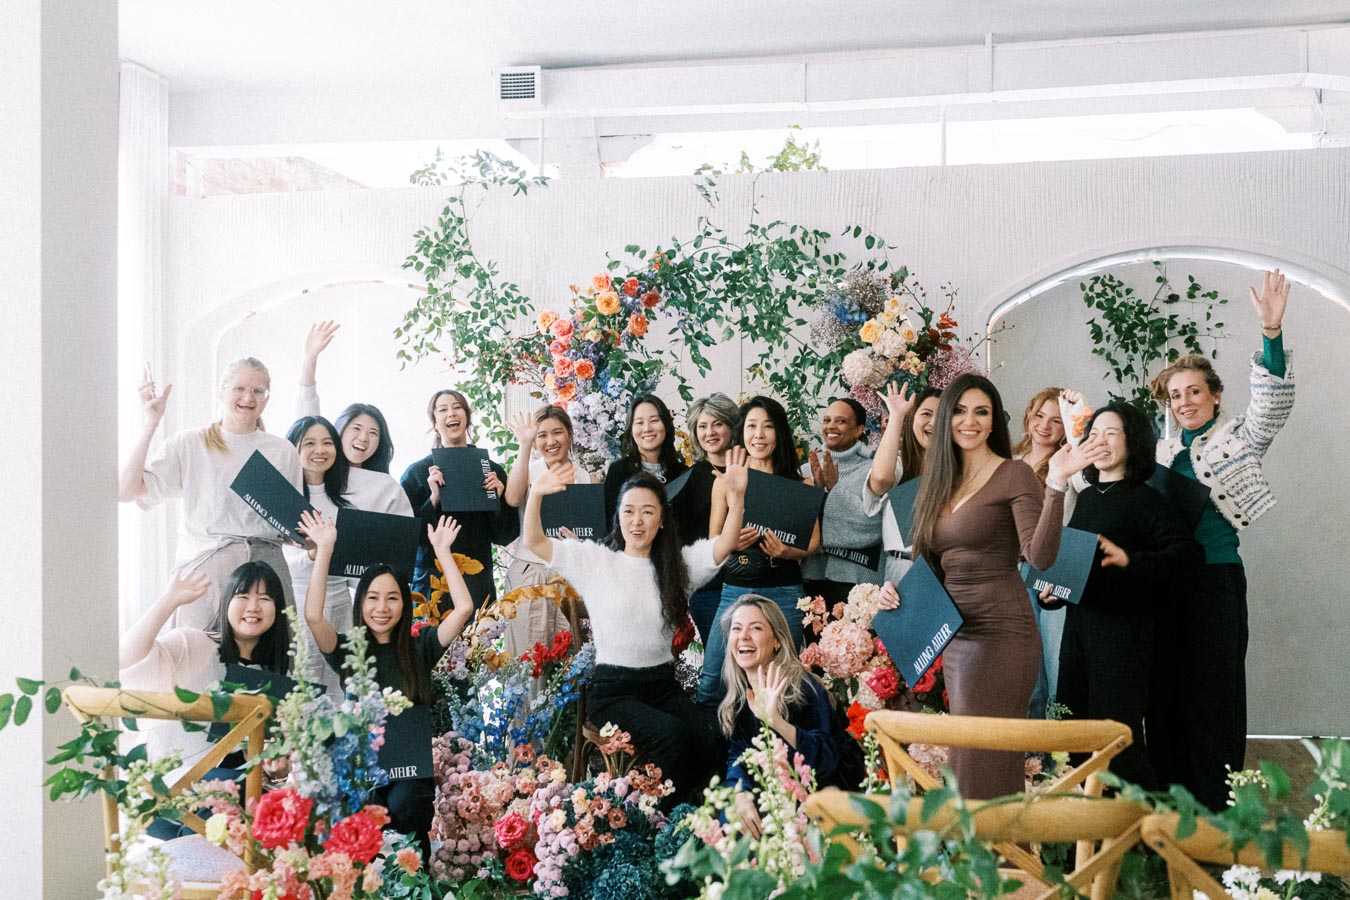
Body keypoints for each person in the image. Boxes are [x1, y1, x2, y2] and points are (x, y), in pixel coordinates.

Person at [894, 373, 1102, 799]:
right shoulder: (938, 481)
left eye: (982, 412)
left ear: (995, 422)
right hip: (955, 635)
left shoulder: (1014, 474)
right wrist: (895, 593)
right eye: (962, 411)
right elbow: (932, 561)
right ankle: (1000, 853)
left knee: (980, 754)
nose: (970, 421)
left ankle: (984, 853)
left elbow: (1040, 556)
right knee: (974, 753)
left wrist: (1057, 482)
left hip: (1002, 633)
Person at [519, 449, 751, 805]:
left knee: (708, 735)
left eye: (647, 512)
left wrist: (736, 498)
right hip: (613, 691)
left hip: (662, 685)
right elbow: (535, 542)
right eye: (628, 511)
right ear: (618, 518)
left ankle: (703, 816)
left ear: (661, 521)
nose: (637, 521)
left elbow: (721, 548)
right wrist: (535, 494)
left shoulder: (676, 567)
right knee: (671, 736)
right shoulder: (596, 560)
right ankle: (659, 820)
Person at [1145, 268, 1295, 811]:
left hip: (1214, 583)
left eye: (1195, 392)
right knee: (1164, 697)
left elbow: (1270, 409)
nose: (1185, 402)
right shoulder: (1157, 455)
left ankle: (1213, 812)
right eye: (1176, 395)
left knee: (1212, 699)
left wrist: (1271, 335)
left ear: (1215, 396)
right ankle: (1166, 812)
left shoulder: (1238, 437)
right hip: (1164, 588)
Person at [1047, 402, 1202, 789]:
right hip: (1079, 631)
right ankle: (1082, 836)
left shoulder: (1145, 500)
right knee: (1072, 730)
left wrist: (1130, 559)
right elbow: (1081, 568)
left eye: (1111, 434)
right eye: (1094, 434)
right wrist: (1054, 595)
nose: (1099, 441)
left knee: (1116, 738)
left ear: (1133, 444)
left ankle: (1143, 834)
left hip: (1123, 637)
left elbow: (1188, 556)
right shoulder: (1087, 497)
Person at [300, 509, 474, 851]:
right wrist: (324, 550)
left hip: (411, 777)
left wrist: (442, 554)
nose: (382, 607)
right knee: (358, 811)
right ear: (361, 603)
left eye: (392, 598)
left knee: (405, 802)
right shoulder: (349, 651)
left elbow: (464, 609)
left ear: (404, 604)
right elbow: (312, 615)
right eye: (373, 597)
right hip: (363, 771)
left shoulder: (420, 647)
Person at [120, 358, 304, 630]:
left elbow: (291, 525)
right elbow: (126, 491)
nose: (248, 397)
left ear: (266, 398)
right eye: (239, 388)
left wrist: (308, 537)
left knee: (273, 667)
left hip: (268, 569)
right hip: (206, 571)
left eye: (258, 391)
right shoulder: (189, 443)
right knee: (200, 665)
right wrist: (150, 423)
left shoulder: (282, 450)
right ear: (221, 392)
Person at [119, 562, 293, 837]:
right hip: (166, 793)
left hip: (226, 802)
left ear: (277, 609)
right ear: (226, 602)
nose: (253, 607)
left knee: (287, 808)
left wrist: (277, 770)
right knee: (245, 793)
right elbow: (126, 660)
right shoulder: (193, 644)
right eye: (243, 596)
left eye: (265, 599)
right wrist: (169, 601)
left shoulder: (274, 675)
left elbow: (260, 758)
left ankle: (204, 862)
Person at [698, 396, 821, 707]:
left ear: (778, 433)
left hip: (784, 593)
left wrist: (785, 551)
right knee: (713, 679)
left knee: (781, 683)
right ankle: (710, 750)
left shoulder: (800, 484)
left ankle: (773, 751)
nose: (759, 434)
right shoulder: (725, 482)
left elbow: (812, 544)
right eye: (752, 426)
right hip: (734, 592)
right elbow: (712, 542)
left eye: (767, 427)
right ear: (742, 434)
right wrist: (731, 542)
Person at [284, 416, 413, 695]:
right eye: (310, 443)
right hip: (296, 599)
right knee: (298, 683)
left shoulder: (348, 496)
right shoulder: (286, 497)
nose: (320, 450)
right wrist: (312, 556)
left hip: (341, 601)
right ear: (293, 448)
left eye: (328, 443)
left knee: (340, 685)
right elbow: (279, 558)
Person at [718, 594, 856, 837]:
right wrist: (740, 794)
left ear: (776, 642)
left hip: (826, 795)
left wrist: (777, 722)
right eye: (736, 629)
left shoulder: (802, 688)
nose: (743, 637)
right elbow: (738, 756)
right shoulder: (741, 694)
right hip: (777, 790)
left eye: (756, 628)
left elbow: (827, 762)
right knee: (730, 815)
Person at [1013, 387, 1089, 720]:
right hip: (1012, 573)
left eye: (1056, 421)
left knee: (1056, 661)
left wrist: (1078, 423)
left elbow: (1089, 484)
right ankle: (1033, 757)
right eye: (1039, 416)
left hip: (1054, 571)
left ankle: (1060, 752)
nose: (1044, 426)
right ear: (1028, 415)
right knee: (1024, 667)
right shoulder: (1007, 461)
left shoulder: (1069, 461)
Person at [500, 405, 600, 661]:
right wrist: (523, 445)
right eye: (542, 435)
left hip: (570, 575)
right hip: (530, 574)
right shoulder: (529, 470)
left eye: (557, 433)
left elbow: (594, 534)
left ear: (570, 435)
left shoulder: (588, 479)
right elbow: (512, 498)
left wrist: (582, 544)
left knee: (573, 659)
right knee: (529, 661)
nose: (551, 441)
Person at [399, 389, 516, 606]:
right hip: (432, 581)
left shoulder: (491, 471)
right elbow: (405, 538)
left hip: (477, 577)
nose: (451, 414)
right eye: (442, 410)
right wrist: (433, 498)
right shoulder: (417, 474)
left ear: (467, 417)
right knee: (430, 639)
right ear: (434, 422)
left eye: (457, 407)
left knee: (477, 639)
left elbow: (504, 536)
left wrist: (497, 500)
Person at [801, 398, 883, 604]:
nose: (831, 426)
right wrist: (817, 492)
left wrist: (833, 490)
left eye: (840, 421)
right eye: (827, 420)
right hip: (811, 577)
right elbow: (795, 527)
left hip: (859, 582)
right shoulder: (805, 471)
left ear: (858, 430)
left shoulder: (874, 471)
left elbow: (873, 527)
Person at [294, 321, 397, 474]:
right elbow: (307, 406)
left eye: (373, 433)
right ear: (339, 429)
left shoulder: (384, 485)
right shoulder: (320, 472)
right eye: (356, 428)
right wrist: (311, 356)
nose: (363, 438)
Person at [863, 383, 940, 584]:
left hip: (946, 567)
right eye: (926, 414)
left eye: (942, 416)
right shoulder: (900, 463)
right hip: (902, 568)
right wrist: (896, 416)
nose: (933, 423)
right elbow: (880, 480)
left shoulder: (959, 469)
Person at [682, 393, 741, 644]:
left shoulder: (753, 470)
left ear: (732, 426)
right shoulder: (687, 481)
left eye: (718, 424)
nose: (710, 432)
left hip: (751, 581)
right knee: (717, 668)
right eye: (702, 427)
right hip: (709, 589)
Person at [602, 394, 688, 525]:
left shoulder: (682, 473)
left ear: (666, 425)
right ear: (631, 430)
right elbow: (610, 524)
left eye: (654, 420)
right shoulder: (619, 472)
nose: (647, 429)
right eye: (639, 423)